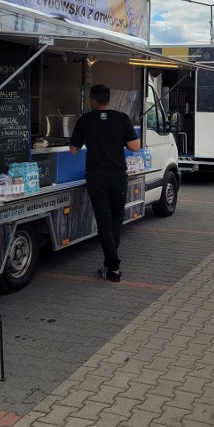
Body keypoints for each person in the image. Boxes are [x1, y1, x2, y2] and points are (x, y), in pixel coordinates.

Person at [70, 84, 140, 283]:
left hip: (96, 177)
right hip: (118, 176)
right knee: (116, 218)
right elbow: (135, 147)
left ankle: (113, 265)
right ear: (108, 99)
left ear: (93, 100)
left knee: (103, 222)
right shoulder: (122, 118)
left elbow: (73, 150)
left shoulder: (85, 120)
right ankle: (111, 266)